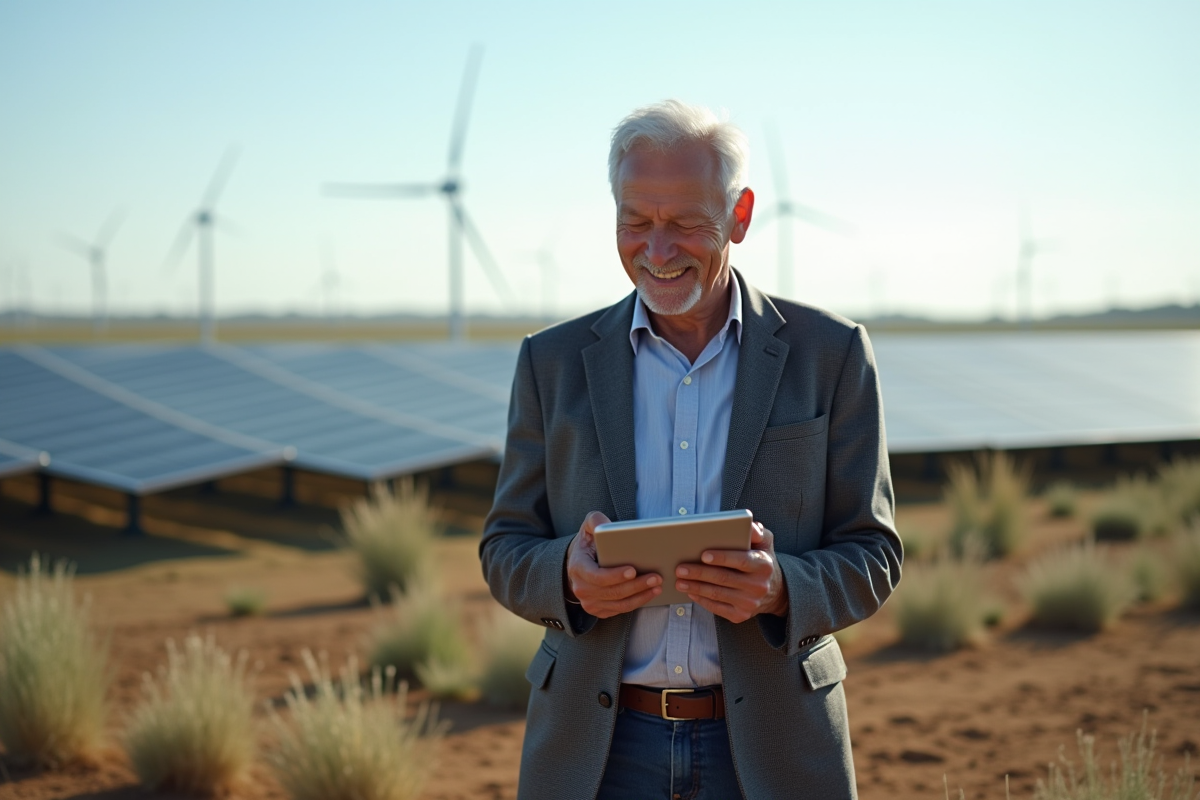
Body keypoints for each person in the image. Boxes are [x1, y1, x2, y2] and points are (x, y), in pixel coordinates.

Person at [481, 99, 902, 800]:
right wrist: (568, 578)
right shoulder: (550, 363)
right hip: (596, 757)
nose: (657, 250)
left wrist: (781, 588)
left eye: (684, 223)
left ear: (740, 215)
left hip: (775, 752)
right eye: (636, 222)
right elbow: (504, 548)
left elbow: (874, 553)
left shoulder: (831, 355)